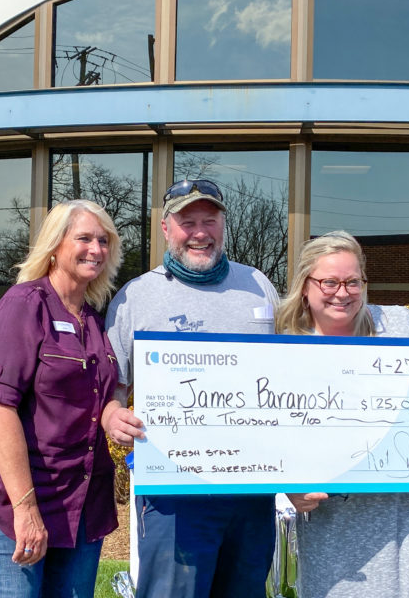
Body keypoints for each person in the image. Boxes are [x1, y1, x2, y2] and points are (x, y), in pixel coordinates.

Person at [104, 178, 279, 598]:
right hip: (174, 493)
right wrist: (112, 414)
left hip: (251, 489)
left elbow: (294, 374)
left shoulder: (260, 286)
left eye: (210, 220)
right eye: (188, 222)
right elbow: (113, 387)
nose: (200, 232)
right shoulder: (135, 298)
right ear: (166, 229)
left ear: (223, 225)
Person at [275, 230, 409, 598]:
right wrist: (287, 489)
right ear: (305, 287)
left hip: (402, 515)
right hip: (331, 520)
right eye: (329, 282)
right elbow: (269, 438)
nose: (342, 293)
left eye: (353, 281)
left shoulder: (399, 326)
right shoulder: (285, 345)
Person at [0, 199, 128, 598]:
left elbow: (97, 400)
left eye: (104, 241)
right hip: (9, 496)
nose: (96, 249)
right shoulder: (22, 306)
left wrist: (113, 415)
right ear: (54, 245)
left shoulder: (96, 320)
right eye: (83, 238)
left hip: (80, 500)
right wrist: (26, 508)